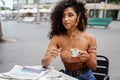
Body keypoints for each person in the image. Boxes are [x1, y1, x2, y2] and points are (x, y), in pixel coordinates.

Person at [41, 0, 97, 80]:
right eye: (63, 16)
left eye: (70, 15)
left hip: (87, 77)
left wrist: (88, 59)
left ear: (79, 17)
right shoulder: (57, 38)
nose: (65, 19)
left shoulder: (89, 38)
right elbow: (44, 63)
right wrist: (50, 57)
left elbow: (94, 67)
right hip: (67, 77)